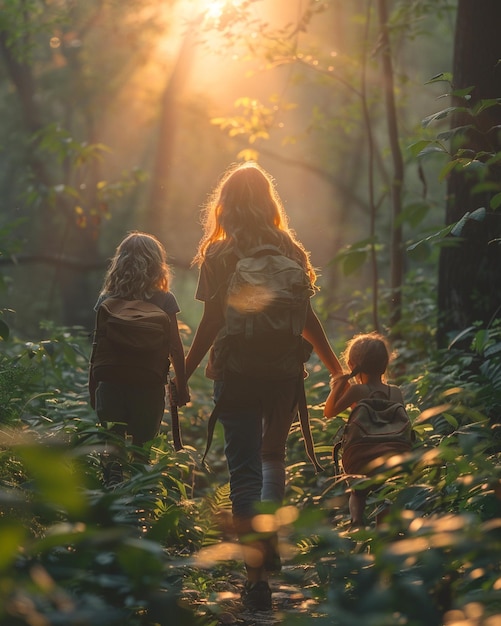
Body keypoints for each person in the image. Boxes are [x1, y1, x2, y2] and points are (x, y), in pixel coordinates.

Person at [185, 162, 343, 611]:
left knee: (243, 473)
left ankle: (255, 579)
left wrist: (183, 374)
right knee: (272, 457)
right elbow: (307, 319)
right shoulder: (290, 250)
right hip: (283, 375)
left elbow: (212, 322)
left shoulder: (219, 254)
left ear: (226, 205)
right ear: (269, 201)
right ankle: (269, 533)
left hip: (236, 374)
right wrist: (333, 367)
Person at [90, 231, 189, 486]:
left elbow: (97, 346)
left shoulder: (106, 300)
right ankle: (139, 504)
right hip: (148, 384)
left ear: (120, 262)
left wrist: (93, 387)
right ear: (157, 264)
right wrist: (182, 385)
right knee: (142, 449)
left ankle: (112, 492)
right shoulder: (164, 300)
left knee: (112, 443)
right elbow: (175, 347)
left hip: (111, 382)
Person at [324, 332, 405, 527]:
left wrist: (339, 385)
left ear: (352, 365)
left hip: (362, 458)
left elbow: (329, 412)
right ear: (385, 364)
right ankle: (383, 531)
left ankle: (357, 521)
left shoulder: (358, 391)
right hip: (393, 457)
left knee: (358, 491)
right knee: (386, 492)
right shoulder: (396, 393)